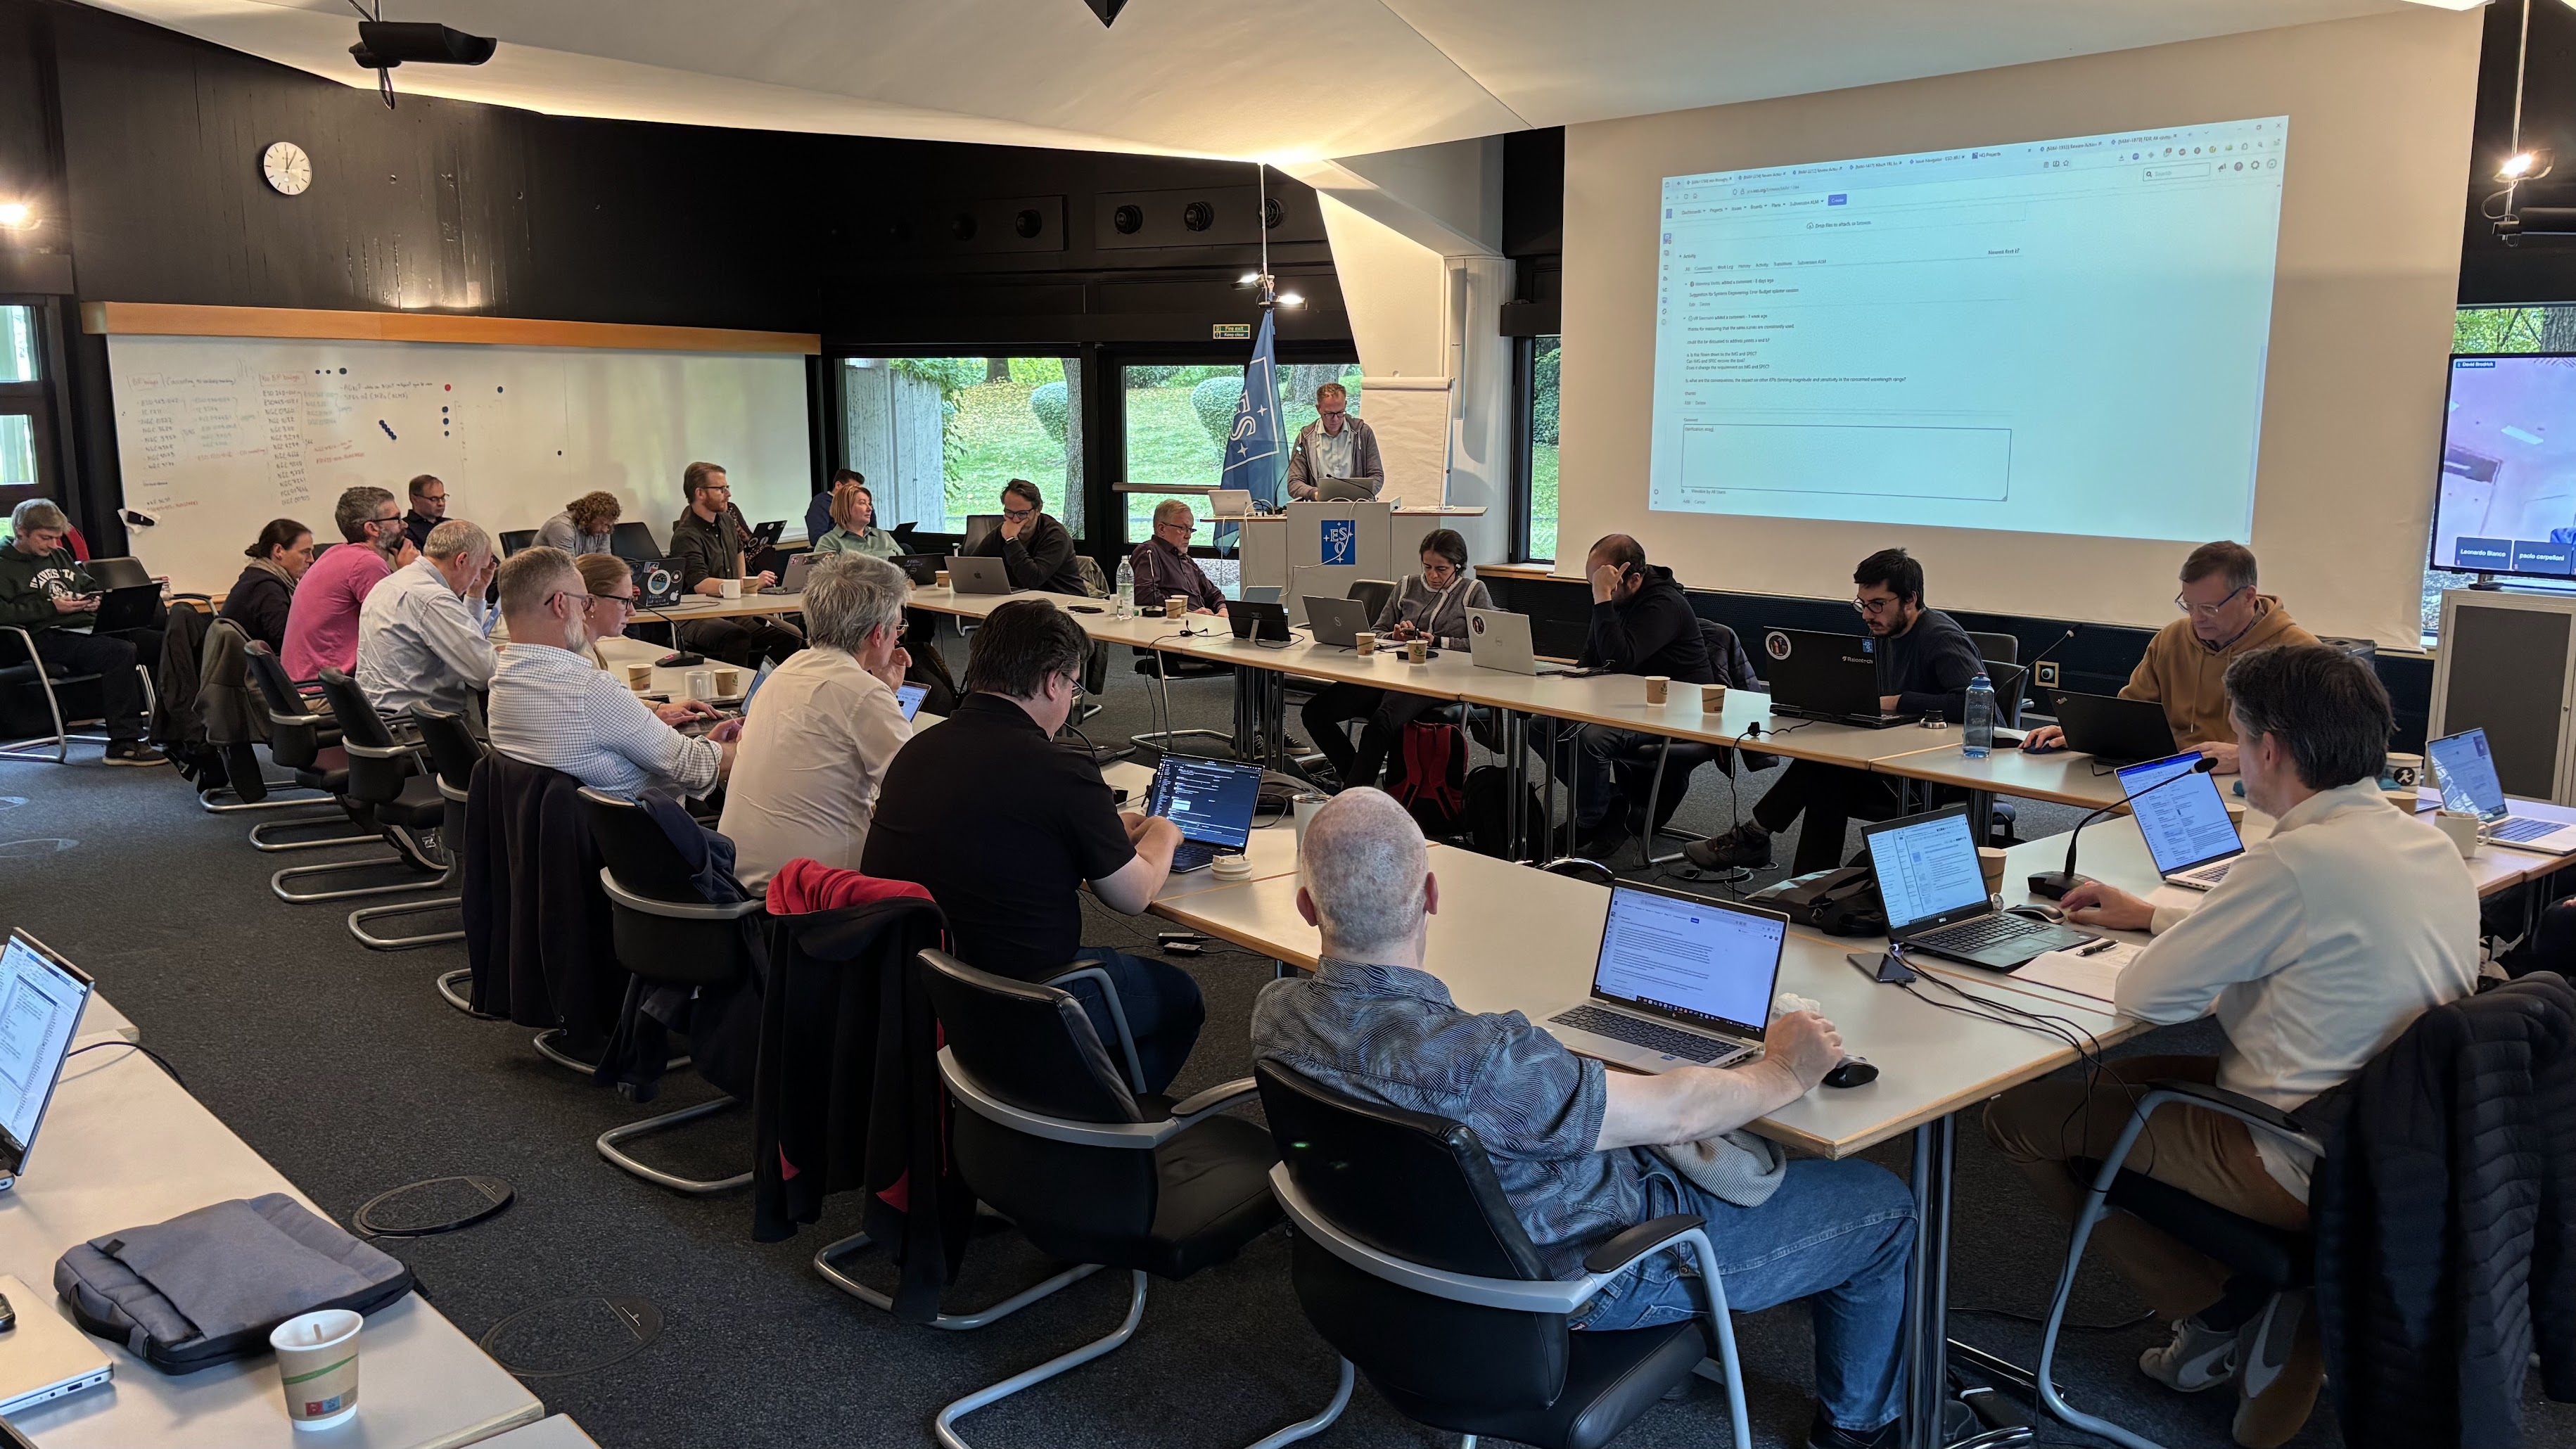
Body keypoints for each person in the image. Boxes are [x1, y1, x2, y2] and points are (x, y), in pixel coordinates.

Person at [1253, 789, 1918, 1449]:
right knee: (1883, 1206)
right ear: (1431, 894)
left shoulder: (1276, 1015)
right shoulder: (1491, 1062)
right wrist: (1787, 1071)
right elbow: (1680, 1114)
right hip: (1589, 1275)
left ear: (1306, 906)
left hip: (1404, 1253)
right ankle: (1857, 1430)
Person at [1984, 643, 2477, 1448]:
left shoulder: (2294, 858)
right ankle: (2260, 1302)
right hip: (2392, 1137)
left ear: (2269, 749)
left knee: (2018, 1116)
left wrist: (2169, 938)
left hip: (2291, 1147)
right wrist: (2152, 914)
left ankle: (2211, 1308)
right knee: (2123, 1076)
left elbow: (2146, 995)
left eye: (2240, 738)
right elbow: (2305, 932)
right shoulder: (2424, 844)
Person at [862, 599, 1203, 1090]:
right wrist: (1164, 832)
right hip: (1027, 995)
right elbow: (1133, 894)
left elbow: (1001, 829)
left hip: (931, 985)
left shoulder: (917, 750)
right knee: (1180, 997)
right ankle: (1095, 1118)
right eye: (1074, 685)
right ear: (1051, 682)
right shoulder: (1060, 770)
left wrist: (1101, 828)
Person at [1688, 547, 1979, 875]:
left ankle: (1758, 840)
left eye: (1877, 604)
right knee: (1826, 770)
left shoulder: (1940, 637)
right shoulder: (1885, 632)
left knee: (1825, 772)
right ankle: (1807, 880)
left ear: (1910, 599)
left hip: (1935, 776)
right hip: (1895, 758)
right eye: (1862, 604)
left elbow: (1978, 706)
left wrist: (1896, 701)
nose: (1867, 615)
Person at [2020, 542, 2316, 773]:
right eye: (2189, 605)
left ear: (2249, 597)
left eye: (2209, 608)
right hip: (2173, 775)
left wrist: (2244, 756)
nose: (2197, 618)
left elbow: (2322, 748)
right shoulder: (2173, 639)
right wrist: (2086, 732)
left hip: (2256, 787)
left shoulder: (2299, 654)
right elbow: (2131, 713)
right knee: (2102, 830)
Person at [720, 554, 915, 888]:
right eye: (898, 627)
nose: (898, 637)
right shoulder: (863, 694)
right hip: (814, 893)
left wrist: (883, 690)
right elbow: (914, 791)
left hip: (738, 875)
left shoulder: (786, 670)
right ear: (877, 634)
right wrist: (881, 694)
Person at [486, 547, 736, 798]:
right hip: (643, 819)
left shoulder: (501, 682)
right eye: (583, 602)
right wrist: (747, 744)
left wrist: (705, 746)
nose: (584, 614)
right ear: (561, 604)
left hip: (561, 822)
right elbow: (693, 766)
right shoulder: (589, 689)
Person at [1535, 534, 1714, 860]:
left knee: (1592, 738)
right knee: (1540, 725)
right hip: (1624, 704)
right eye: (1594, 584)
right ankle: (1612, 803)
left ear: (1633, 578)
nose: (1598, 591)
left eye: (1606, 584)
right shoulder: (1613, 600)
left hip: (1673, 709)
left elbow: (1619, 659)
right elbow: (1591, 659)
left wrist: (1602, 598)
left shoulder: (1664, 604)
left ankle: (1590, 820)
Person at [1301, 528, 1491, 789]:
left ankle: (1357, 795)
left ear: (1459, 567)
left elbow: (1484, 646)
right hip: (1391, 673)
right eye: (1427, 567)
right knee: (1315, 712)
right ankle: (1355, 782)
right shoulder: (1406, 586)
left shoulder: (1473, 591)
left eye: (1442, 569)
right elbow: (1377, 631)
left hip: (1436, 680)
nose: (1433, 576)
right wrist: (1395, 635)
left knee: (1380, 724)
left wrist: (1438, 641)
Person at [0, 499, 164, 765]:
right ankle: (124, 744)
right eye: (45, 538)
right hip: (45, 637)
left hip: (86, 627)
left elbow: (87, 584)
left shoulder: (59, 555)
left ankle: (184, 726)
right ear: (21, 531)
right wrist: (51, 607)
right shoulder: (4, 564)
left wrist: (95, 599)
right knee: (119, 652)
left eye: (56, 538)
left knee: (165, 642)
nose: (52, 545)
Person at [355, 519, 497, 719]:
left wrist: (476, 593)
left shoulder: (392, 583)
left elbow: (467, 644)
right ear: (462, 560)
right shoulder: (432, 598)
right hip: (416, 725)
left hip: (380, 719)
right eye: (479, 570)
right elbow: (484, 673)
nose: (477, 578)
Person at [668, 460, 802, 668]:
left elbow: (739, 553)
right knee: (737, 637)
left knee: (792, 635)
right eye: (720, 489)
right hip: (697, 616)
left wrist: (746, 585)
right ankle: (736, 688)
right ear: (700, 493)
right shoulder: (686, 535)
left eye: (727, 487)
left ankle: (764, 681)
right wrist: (748, 584)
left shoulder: (726, 521)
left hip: (733, 611)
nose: (728, 494)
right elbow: (701, 585)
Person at [283, 485, 414, 681]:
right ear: (372, 529)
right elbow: (402, 630)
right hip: (325, 689)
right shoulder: (366, 563)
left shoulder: (337, 553)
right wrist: (411, 573)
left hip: (307, 683)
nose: (404, 525)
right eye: (396, 519)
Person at [968, 479, 1087, 595]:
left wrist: (1011, 540)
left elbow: (1033, 580)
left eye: (1022, 514)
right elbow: (973, 565)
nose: (1015, 519)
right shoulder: (1004, 531)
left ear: (1038, 510)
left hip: (1067, 600)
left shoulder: (1056, 535)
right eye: (1009, 512)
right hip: (1027, 599)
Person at [219, 518, 314, 654]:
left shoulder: (256, 577)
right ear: (278, 551)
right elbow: (289, 644)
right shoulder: (265, 589)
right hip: (254, 666)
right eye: (305, 552)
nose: (311, 559)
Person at [1282, 382, 1384, 500]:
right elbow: (1294, 482)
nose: (1335, 419)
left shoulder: (1363, 433)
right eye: (1329, 414)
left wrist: (1361, 493)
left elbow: (1377, 475)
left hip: (1358, 505)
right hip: (1319, 507)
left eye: (1340, 413)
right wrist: (1315, 494)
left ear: (1345, 405)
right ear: (1319, 409)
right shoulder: (1305, 438)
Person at [1127, 499, 1224, 614]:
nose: (1188, 536)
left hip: (1200, 619)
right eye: (1183, 529)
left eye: (1190, 529)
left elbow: (1212, 593)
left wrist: (1222, 609)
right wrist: (1188, 613)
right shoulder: (1149, 552)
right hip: (1176, 621)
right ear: (1162, 529)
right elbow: (1144, 595)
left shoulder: (1186, 560)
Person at [808, 477, 903, 561]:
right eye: (862, 503)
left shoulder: (884, 536)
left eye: (869, 504)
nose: (870, 509)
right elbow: (825, 575)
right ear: (845, 507)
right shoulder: (829, 542)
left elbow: (906, 568)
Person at [537, 491, 621, 557]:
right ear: (589, 517)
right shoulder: (562, 527)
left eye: (608, 525)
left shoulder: (603, 531)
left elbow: (606, 563)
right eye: (603, 524)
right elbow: (569, 569)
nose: (605, 530)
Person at [807, 466, 860, 545]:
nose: (856, 493)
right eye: (852, 489)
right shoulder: (821, 503)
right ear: (838, 485)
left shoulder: (856, 503)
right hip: (835, 549)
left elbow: (871, 531)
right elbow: (817, 538)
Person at [400, 474, 448, 553]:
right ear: (415, 499)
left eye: (443, 498)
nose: (441, 503)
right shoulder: (405, 529)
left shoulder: (450, 524)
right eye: (434, 499)